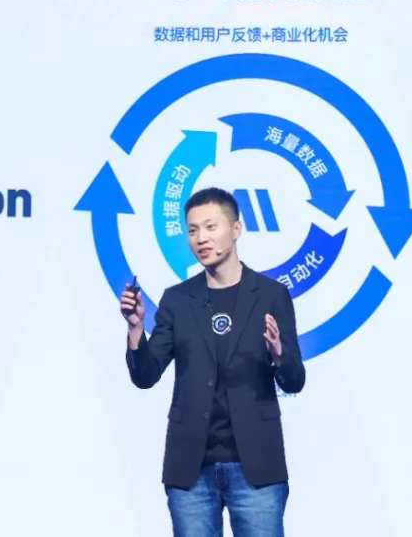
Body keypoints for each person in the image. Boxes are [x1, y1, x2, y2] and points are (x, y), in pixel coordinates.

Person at [120, 186, 306, 536]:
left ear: (236, 229)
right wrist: (135, 329)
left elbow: (295, 380)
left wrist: (279, 354)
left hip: (257, 465)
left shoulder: (271, 295)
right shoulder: (177, 300)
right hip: (191, 468)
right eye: (192, 230)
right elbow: (145, 375)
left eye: (210, 227)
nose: (200, 238)